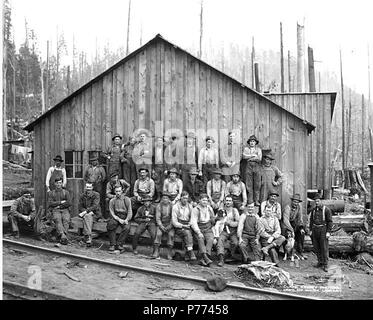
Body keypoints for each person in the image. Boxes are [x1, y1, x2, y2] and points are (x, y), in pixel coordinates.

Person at [309, 193, 333, 272]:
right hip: (315, 229)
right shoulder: (313, 210)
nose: (316, 203)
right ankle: (320, 262)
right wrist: (310, 230)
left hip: (323, 229)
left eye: (318, 201)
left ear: (321, 201)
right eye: (315, 201)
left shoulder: (326, 210)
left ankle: (325, 264)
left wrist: (328, 232)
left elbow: (330, 222)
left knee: (324, 247)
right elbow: (311, 221)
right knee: (316, 246)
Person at [172, 191, 197, 261]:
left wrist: (189, 224)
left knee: (190, 233)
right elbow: (174, 222)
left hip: (188, 225)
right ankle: (190, 252)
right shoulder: (176, 207)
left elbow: (192, 218)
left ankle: (187, 254)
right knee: (187, 233)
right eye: (183, 198)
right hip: (179, 226)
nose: (185, 200)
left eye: (186, 198)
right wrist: (182, 226)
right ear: (180, 198)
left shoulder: (190, 206)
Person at [191, 193, 215, 267]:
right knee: (200, 238)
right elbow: (193, 222)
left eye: (206, 200)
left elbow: (212, 219)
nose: (205, 202)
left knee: (210, 239)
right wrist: (198, 232)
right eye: (203, 200)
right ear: (199, 200)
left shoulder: (209, 208)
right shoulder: (196, 209)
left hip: (208, 228)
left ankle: (203, 258)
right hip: (199, 228)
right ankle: (205, 257)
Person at [216, 195, 240, 267]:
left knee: (235, 242)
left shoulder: (234, 210)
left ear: (232, 202)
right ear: (224, 201)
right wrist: (219, 219)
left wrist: (230, 223)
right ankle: (221, 258)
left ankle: (229, 254)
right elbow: (216, 220)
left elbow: (238, 222)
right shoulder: (221, 210)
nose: (228, 202)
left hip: (232, 231)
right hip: (223, 230)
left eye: (230, 201)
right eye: (227, 200)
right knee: (220, 240)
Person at [107, 185, 133, 252]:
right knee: (110, 224)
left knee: (127, 228)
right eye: (116, 191)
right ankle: (112, 244)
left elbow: (130, 211)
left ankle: (119, 244)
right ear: (114, 192)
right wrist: (118, 219)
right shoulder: (112, 200)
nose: (118, 193)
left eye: (119, 191)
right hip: (116, 216)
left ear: (122, 191)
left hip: (125, 216)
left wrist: (126, 220)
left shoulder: (127, 199)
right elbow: (112, 212)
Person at [281, 193, 307, 260]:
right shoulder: (287, 207)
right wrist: (292, 230)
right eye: (294, 201)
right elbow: (285, 221)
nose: (295, 203)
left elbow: (300, 218)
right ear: (292, 201)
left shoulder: (299, 207)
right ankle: (287, 253)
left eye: (297, 202)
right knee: (287, 234)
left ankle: (300, 252)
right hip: (286, 225)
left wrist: (301, 227)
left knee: (301, 234)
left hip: (293, 224)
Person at [47, 177, 72, 245]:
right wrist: (61, 202)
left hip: (65, 209)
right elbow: (50, 203)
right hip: (55, 210)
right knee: (57, 220)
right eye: (57, 183)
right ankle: (63, 236)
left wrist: (60, 206)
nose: (58, 184)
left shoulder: (66, 192)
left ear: (62, 183)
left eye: (60, 183)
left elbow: (69, 203)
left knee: (66, 220)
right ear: (55, 184)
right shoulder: (52, 193)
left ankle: (62, 236)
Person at [78, 182, 101, 247]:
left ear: (92, 188)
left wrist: (85, 212)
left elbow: (95, 206)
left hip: (95, 214)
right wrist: (87, 212)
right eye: (87, 187)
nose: (88, 189)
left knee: (87, 216)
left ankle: (87, 236)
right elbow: (80, 207)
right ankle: (89, 236)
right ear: (85, 187)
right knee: (87, 216)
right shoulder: (82, 195)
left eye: (90, 187)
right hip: (87, 214)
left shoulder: (96, 195)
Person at [153, 193, 175, 259]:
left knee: (171, 235)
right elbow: (158, 218)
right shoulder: (159, 206)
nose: (165, 200)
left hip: (170, 224)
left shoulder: (172, 206)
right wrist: (161, 226)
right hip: (162, 224)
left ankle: (169, 252)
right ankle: (156, 251)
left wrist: (170, 225)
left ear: (169, 200)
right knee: (158, 234)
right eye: (163, 198)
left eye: (166, 198)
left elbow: (173, 217)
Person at [242, 135, 262, 206]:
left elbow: (259, 158)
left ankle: (256, 200)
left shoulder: (258, 149)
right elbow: (244, 156)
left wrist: (250, 157)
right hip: (248, 166)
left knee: (257, 184)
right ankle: (250, 200)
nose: (252, 143)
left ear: (255, 142)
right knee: (249, 184)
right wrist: (253, 156)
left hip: (257, 166)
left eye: (253, 141)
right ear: (249, 142)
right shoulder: (246, 149)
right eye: (251, 141)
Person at [152, 136, 166, 203]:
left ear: (163, 142)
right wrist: (153, 169)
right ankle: (158, 196)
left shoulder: (165, 149)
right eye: (158, 141)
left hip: (163, 167)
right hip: (156, 167)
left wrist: (166, 169)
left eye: (161, 141)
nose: (159, 142)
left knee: (163, 182)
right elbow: (152, 159)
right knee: (157, 182)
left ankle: (163, 197)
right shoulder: (154, 149)